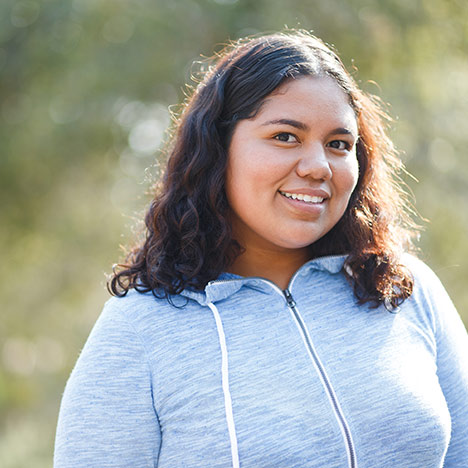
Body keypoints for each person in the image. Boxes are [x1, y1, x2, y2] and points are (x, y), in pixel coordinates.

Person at [54, 31, 468, 468]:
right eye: (285, 137)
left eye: (339, 144)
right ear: (218, 149)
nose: (317, 167)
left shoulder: (406, 290)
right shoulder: (140, 329)